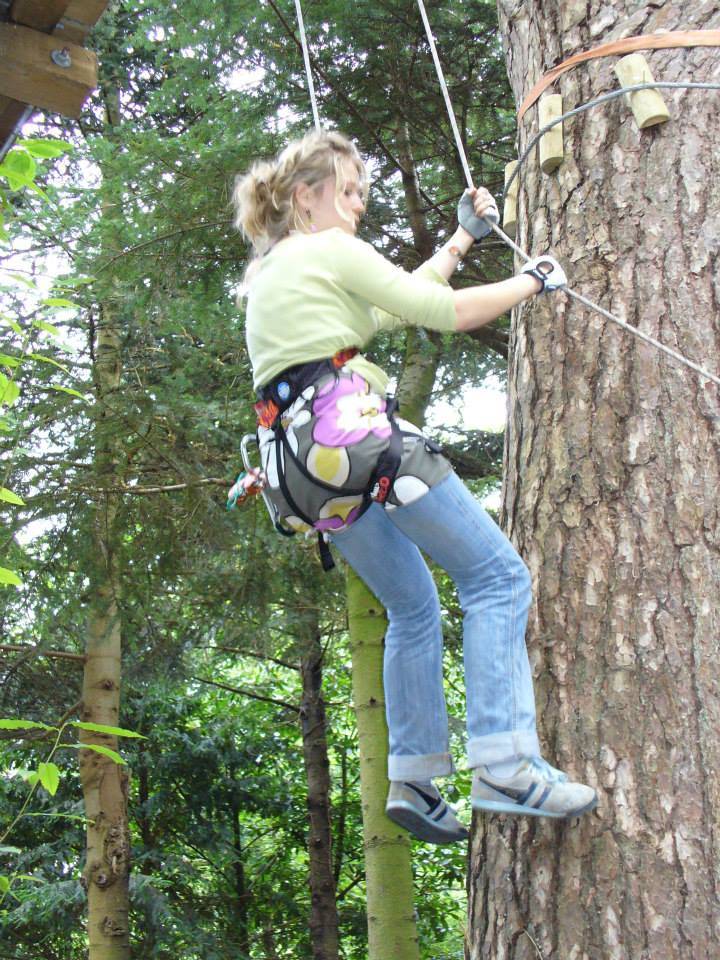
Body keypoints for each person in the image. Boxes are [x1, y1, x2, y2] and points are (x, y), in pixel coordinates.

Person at [233, 130, 597, 844]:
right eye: (347, 191)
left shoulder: (278, 270)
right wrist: (534, 281)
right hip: (352, 437)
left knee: (412, 608)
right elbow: (443, 314)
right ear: (306, 197)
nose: (358, 207)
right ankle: (507, 764)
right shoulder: (328, 248)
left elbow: (392, 304)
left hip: (302, 474)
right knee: (498, 578)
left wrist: (460, 242)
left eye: (362, 195)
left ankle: (415, 779)